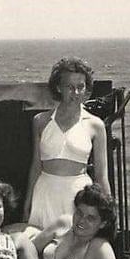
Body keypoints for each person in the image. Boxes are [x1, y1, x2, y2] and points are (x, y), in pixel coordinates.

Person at [23, 57, 110, 234]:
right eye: (69, 87)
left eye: (81, 87)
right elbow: (35, 166)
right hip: (45, 194)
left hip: (78, 198)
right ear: (58, 87)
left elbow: (101, 176)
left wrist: (108, 212)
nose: (76, 92)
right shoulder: (40, 121)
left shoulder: (96, 125)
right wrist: (27, 204)